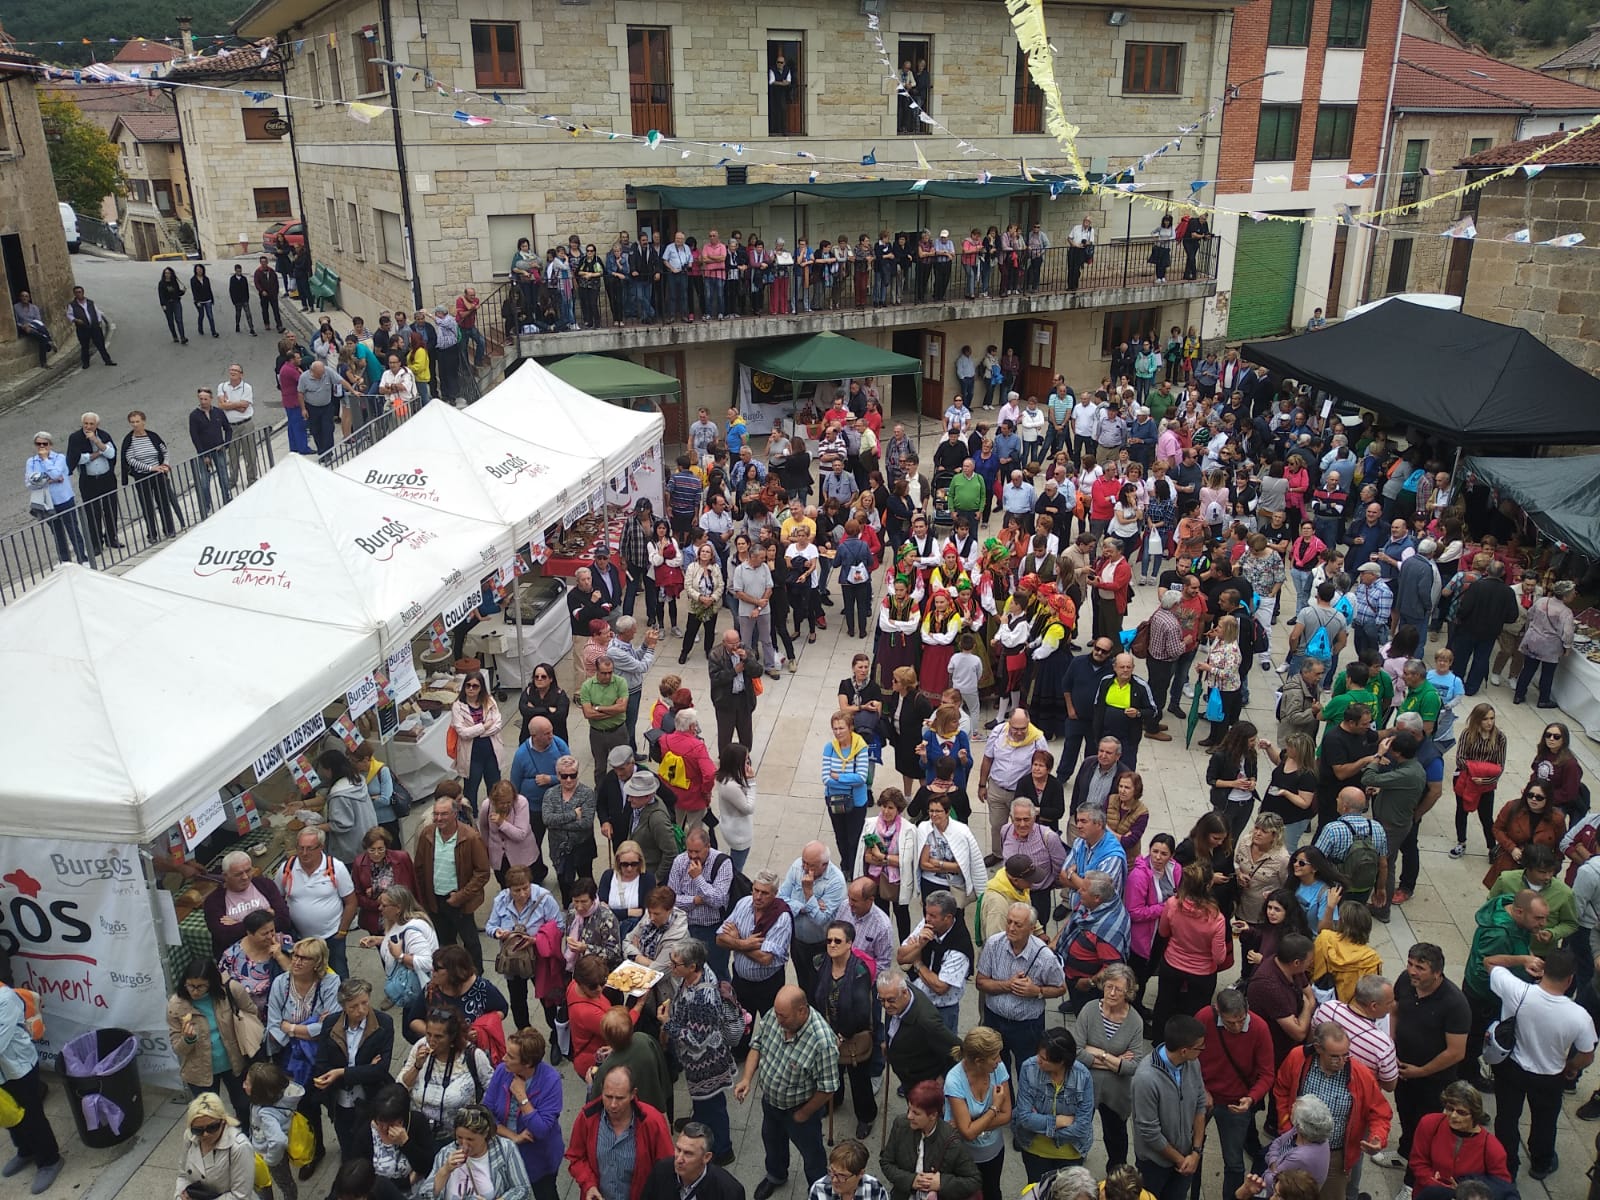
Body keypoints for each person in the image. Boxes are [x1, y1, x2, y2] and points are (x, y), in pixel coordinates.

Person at [1488, 948, 1596, 1179]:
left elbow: (1490, 962)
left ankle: (1506, 1168)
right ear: (1570, 979)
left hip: (1512, 1067)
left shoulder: (1517, 990)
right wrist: (1572, 1067)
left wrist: (1522, 959)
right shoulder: (1579, 1016)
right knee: (1545, 1121)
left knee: (1507, 1118)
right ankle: (1541, 1162)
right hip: (1549, 1075)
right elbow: (1587, 1054)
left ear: (1543, 970)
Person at [732, 984, 839, 1200]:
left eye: (784, 1017)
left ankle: (818, 1191)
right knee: (771, 1140)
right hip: (771, 1101)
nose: (777, 1020)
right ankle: (776, 1175)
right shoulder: (776, 1015)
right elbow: (757, 1045)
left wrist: (805, 1113)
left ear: (802, 1010)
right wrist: (746, 1079)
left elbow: (828, 1087)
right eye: (777, 1014)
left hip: (799, 1108)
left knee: (813, 1155)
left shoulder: (822, 1042)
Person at [1271, 1023, 1391, 1200]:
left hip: (1334, 1156)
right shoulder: (1298, 1058)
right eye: (1335, 1056)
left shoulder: (1360, 1074)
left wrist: (1378, 1138)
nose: (1342, 1061)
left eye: (1345, 1055)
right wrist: (1287, 1126)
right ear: (1318, 1048)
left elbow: (1380, 1112)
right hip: (1295, 1147)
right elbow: (1281, 1089)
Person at [1196, 987, 1275, 1200]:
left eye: (1241, 1020)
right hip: (1203, 1099)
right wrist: (1202, 1090)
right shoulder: (1204, 1017)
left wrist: (1251, 1098)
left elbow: (1267, 1074)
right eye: (1231, 1022)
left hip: (1236, 1105)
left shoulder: (1259, 1028)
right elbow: (1190, 1056)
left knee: (1234, 1162)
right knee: (1193, 1152)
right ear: (1217, 1011)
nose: (1238, 1026)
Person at [975, 900, 1067, 1075]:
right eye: (1009, 921)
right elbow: (981, 982)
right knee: (996, 1070)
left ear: (1031, 928)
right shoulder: (994, 944)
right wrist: (1008, 985)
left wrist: (1037, 992)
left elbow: (1061, 988)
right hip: (994, 1021)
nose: (1011, 928)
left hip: (1028, 1027)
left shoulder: (1045, 957)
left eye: (1018, 924)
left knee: (1028, 1071)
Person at [308, 977, 395, 1161]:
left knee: (374, 1148)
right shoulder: (331, 1023)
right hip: (340, 1102)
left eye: (364, 1003)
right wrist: (364, 1070)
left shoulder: (383, 1023)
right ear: (343, 1006)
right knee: (348, 1148)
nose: (361, 1010)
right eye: (353, 1006)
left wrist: (341, 1072)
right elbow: (322, 1065)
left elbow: (380, 1070)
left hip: (370, 1100)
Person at [169, 957, 258, 1121]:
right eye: (190, 985)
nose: (194, 991)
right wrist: (188, 1039)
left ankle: (245, 1139)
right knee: (208, 1115)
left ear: (212, 983)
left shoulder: (230, 990)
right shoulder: (176, 1005)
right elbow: (177, 1048)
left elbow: (252, 1012)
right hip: (199, 1071)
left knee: (244, 1106)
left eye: (200, 986)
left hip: (234, 1063)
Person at [1131, 1014, 1209, 1200]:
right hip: (1154, 1164)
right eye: (1200, 1047)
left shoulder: (1193, 1063)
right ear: (1184, 1051)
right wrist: (1182, 1161)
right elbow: (1150, 1131)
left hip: (1188, 1156)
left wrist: (1196, 1152)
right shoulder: (1146, 1078)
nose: (1203, 1051)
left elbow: (1200, 1104)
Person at [413, 793, 492, 976]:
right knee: (445, 942)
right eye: (436, 814)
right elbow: (419, 867)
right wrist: (423, 898)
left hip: (460, 901)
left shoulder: (470, 837)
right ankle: (452, 974)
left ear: (455, 814)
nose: (438, 818)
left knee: (470, 941)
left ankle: (476, 975)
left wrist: (461, 896)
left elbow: (482, 872)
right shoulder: (427, 834)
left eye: (444, 814)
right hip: (435, 901)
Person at [880, 1079, 982, 1200]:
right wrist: (910, 1180)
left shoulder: (951, 1141)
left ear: (933, 1115)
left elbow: (973, 1180)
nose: (909, 1116)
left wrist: (941, 1183)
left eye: (916, 1113)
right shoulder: (900, 1125)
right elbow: (886, 1163)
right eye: (909, 1109)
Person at [1406, 1082, 1508, 1199]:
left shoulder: (1492, 1147)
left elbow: (1501, 1185)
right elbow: (1417, 1161)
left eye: (1461, 1112)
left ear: (1475, 1115)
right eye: (1450, 1109)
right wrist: (1435, 1183)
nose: (1453, 1115)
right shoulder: (1429, 1123)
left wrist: (1466, 1191)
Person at [357, 883, 436, 1022]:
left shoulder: (412, 930)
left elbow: (427, 962)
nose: (379, 908)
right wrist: (379, 940)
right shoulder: (400, 922)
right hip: (411, 989)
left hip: (417, 991)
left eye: (384, 905)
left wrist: (399, 956)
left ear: (398, 908)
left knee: (411, 1029)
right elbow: (401, 940)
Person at [719, 870, 793, 1018]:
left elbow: (765, 959)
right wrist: (744, 943)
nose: (758, 897)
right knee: (741, 1028)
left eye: (765, 893)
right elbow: (720, 939)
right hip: (740, 982)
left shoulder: (782, 918)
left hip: (768, 986)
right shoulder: (743, 904)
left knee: (771, 1028)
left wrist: (736, 941)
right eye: (756, 890)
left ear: (775, 893)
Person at [204, 849, 293, 951]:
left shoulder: (265, 885)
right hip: (239, 955)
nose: (245, 877)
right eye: (238, 874)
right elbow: (224, 936)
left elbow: (284, 921)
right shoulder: (213, 901)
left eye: (248, 871)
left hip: (277, 948)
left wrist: (239, 923)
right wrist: (267, 917)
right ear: (225, 876)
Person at [175, 1092, 254, 1200]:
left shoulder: (239, 1147)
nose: (205, 1134)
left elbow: (241, 1196)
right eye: (198, 1130)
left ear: (223, 1121)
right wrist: (179, 1197)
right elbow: (182, 1176)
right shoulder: (190, 1136)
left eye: (212, 1127)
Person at [451, 671, 508, 816]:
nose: (471, 689)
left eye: (475, 686)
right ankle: (472, 818)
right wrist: (484, 726)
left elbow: (497, 725)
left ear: (481, 688)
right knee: (470, 790)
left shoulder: (490, 701)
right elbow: (462, 732)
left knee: (495, 788)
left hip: (491, 753)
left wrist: (476, 732)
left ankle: (495, 814)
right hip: (472, 756)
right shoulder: (458, 706)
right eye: (468, 685)